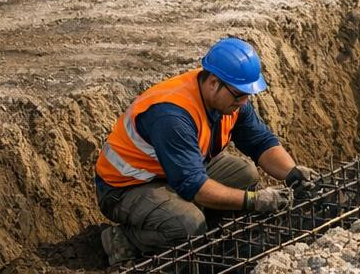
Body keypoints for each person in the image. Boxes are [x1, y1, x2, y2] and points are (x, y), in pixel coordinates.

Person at [94, 37, 319, 267]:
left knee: (245, 173)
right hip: (127, 187)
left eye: (247, 95)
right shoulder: (172, 116)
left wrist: (292, 173)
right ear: (213, 82)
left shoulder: (230, 98)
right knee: (187, 225)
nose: (244, 102)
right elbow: (195, 186)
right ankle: (125, 240)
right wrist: (253, 200)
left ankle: (204, 228)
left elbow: (260, 142)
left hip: (174, 171)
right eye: (240, 95)